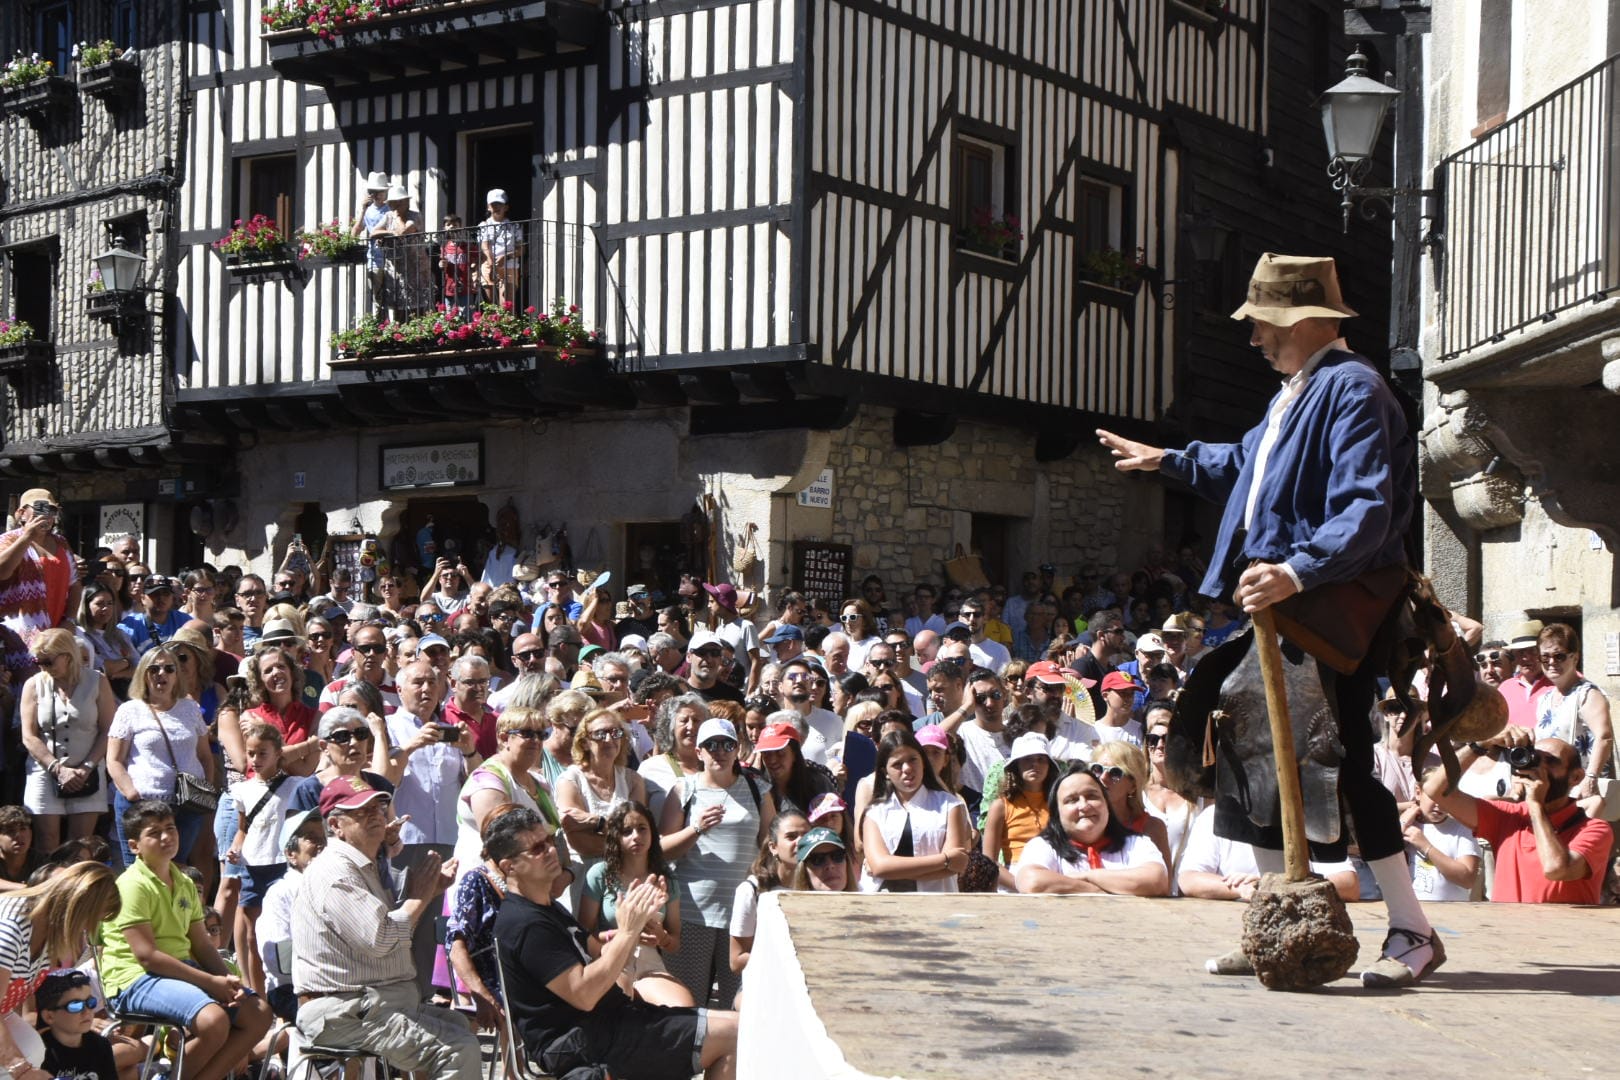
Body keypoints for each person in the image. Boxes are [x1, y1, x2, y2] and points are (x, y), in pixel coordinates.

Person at [1097, 252, 1442, 987]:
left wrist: (1296, 569)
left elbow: (1366, 508)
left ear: (1304, 320)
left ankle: (1413, 928)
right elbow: (1243, 465)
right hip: (1284, 604)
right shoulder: (1298, 392)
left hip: (1325, 606)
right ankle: (1274, 918)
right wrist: (1167, 460)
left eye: (1262, 324)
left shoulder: (1354, 392)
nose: (1253, 339)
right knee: (1236, 737)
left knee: (1343, 758)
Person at [493, 808, 739, 1079]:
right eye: (538, 848)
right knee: (735, 1035)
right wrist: (627, 930)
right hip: (585, 1043)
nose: (551, 851)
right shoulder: (525, 924)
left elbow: (600, 953)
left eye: (550, 841)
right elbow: (584, 994)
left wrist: (637, 922)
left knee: (737, 1026)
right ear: (509, 866)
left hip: (613, 1022)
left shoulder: (547, 908)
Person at [292, 777, 480, 1080]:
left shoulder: (361, 865)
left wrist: (429, 892)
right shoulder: (335, 873)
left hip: (370, 1004)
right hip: (344, 1012)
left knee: (459, 1026)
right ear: (336, 826)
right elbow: (382, 939)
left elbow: (388, 933)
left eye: (378, 808)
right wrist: (419, 896)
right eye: (361, 812)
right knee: (456, 1048)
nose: (376, 816)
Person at [101, 800, 273, 1080]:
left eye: (170, 828)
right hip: (133, 978)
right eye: (154, 833)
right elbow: (147, 956)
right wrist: (211, 983)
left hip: (178, 972)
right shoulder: (131, 885)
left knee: (259, 1014)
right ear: (134, 846)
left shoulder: (183, 882)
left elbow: (202, 945)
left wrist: (227, 981)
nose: (166, 837)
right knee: (213, 1020)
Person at [657, 718, 774, 1010]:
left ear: (737, 750)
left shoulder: (758, 788)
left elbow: (770, 847)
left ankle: (731, 1057)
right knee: (687, 1004)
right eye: (711, 745)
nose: (719, 751)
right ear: (699, 752)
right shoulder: (684, 789)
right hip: (693, 912)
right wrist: (695, 829)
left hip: (742, 916)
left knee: (740, 1004)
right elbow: (661, 849)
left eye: (727, 744)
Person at [1421, 737, 1613, 904]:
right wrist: (1480, 746)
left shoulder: (1595, 829)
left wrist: (1535, 805)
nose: (1540, 768)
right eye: (1536, 758)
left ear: (1576, 777)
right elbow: (1436, 790)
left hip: (1564, 943)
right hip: (1509, 940)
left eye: (1551, 761)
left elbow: (1556, 869)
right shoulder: (1508, 816)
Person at [0, 863, 119, 1080]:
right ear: (78, 907)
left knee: (32, 1047)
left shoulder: (48, 933)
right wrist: (19, 1068)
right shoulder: (10, 929)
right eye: (89, 921)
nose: (86, 931)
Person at [106, 649, 214, 865]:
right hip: (142, 805)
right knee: (138, 871)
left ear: (176, 675)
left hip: (187, 805)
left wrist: (206, 789)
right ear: (143, 675)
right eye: (153, 669)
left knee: (175, 869)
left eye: (168, 668)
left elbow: (205, 756)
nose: (161, 673)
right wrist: (132, 793)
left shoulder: (190, 708)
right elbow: (114, 760)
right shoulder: (129, 710)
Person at [578, 801, 691, 1007]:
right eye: (627, 831)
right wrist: (623, 932)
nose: (636, 836)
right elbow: (583, 937)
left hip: (650, 964)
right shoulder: (600, 874)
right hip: (611, 960)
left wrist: (661, 937)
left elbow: (675, 943)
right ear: (616, 838)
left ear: (652, 833)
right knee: (619, 1005)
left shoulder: (667, 878)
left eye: (642, 829)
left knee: (682, 1008)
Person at [19, 629, 114, 853]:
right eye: (37, 660)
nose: (42, 666)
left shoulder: (97, 681)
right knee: (47, 841)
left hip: (88, 771)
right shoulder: (34, 684)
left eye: (48, 661)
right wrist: (56, 768)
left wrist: (86, 768)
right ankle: (48, 888)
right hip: (45, 769)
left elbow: (108, 730)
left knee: (80, 844)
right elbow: (28, 735)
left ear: (67, 656)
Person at [1013, 763, 1170, 896]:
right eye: (1072, 800)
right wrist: (1097, 891)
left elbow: (1157, 879)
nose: (1084, 806)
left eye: (1092, 796)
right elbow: (1031, 881)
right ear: (1057, 813)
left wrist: (1088, 875)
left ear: (1106, 804)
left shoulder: (1135, 843)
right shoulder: (1043, 846)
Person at [1178, 802, 1359, 907]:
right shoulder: (1216, 815)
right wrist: (1243, 889)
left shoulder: (1311, 817)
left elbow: (1348, 884)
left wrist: (1269, 886)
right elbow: (1189, 879)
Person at [858, 730, 969, 893]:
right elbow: (880, 867)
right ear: (885, 772)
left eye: (913, 760)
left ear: (923, 762)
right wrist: (944, 859)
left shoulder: (950, 805)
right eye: (897, 764)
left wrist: (893, 870)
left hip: (934, 904)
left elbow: (955, 866)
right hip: (881, 905)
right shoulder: (874, 812)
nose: (907, 768)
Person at [255, 809, 325, 1023]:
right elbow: (280, 960)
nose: (322, 846)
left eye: (325, 839)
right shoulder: (281, 893)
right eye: (312, 839)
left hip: (335, 987)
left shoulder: (333, 887)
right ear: (291, 854)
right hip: (292, 989)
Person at [556, 711, 648, 871]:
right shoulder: (570, 780)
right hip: (584, 874)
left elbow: (637, 830)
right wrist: (620, 833)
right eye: (600, 734)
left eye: (615, 733)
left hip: (626, 872)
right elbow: (578, 841)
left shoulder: (633, 780)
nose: (609, 739)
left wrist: (595, 823)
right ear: (584, 742)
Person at [1532, 623, 1613, 799]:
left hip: (1581, 789)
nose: (1551, 662)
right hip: (1554, 790)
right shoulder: (1544, 699)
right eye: (1545, 657)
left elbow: (1604, 737)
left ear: (1575, 658)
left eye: (1559, 656)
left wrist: (1591, 778)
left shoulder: (1587, 694)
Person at [727, 811, 809, 973]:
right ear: (773, 847)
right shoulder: (751, 890)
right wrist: (788, 960)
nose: (800, 842)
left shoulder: (818, 887)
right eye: (791, 837)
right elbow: (736, 960)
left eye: (805, 836)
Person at [0, 489, 80, 646]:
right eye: (39, 508)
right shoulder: (8, 539)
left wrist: (70, 619)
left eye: (51, 510)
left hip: (57, 631)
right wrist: (27, 536)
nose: (46, 515)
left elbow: (75, 584)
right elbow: (2, 572)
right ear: (22, 513)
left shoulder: (61, 543)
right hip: (19, 634)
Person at [981, 733, 1054, 891]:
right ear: (1016, 765)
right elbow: (988, 860)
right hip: (1013, 880)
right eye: (1028, 759)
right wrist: (1022, 886)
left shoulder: (1058, 804)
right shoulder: (1000, 806)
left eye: (1041, 759)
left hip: (1053, 877)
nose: (1035, 764)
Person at [1141, 705, 1200, 894]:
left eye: (1166, 739)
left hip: (1186, 893)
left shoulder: (1197, 795)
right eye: (1153, 739)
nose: (1159, 745)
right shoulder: (1135, 792)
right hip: (1146, 891)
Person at [1090, 742, 1173, 871]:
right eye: (1097, 769)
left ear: (1133, 785)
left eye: (1115, 773)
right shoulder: (1082, 822)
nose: (1103, 777)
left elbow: (1164, 885)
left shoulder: (1152, 828)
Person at [1401, 772, 1481, 903]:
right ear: (1418, 792)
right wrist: (1401, 825)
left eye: (1446, 797)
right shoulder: (1404, 823)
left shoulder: (1462, 828)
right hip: (1409, 911)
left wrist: (1427, 847)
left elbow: (1467, 879)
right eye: (1433, 796)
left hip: (1450, 912)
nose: (1440, 804)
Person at [36, 968, 119, 1080]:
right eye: (75, 1006)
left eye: (91, 1002)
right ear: (49, 1016)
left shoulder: (101, 1045)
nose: (87, 1011)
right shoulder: (39, 1052)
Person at [477, 189, 525, 308]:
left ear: (506, 207)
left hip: (509, 266)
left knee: (506, 306)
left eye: (500, 204)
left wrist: (507, 256)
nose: (496, 207)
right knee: (490, 307)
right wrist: (491, 262)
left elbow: (521, 249)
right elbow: (484, 245)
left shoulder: (515, 226)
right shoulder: (484, 225)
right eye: (493, 204)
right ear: (488, 207)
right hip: (489, 266)